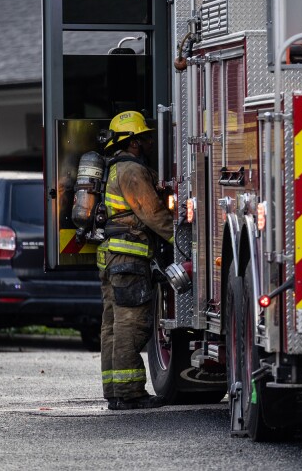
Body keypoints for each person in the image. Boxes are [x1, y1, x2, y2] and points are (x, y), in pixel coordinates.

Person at [96, 110, 174, 410]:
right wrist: (182, 241)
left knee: (112, 326)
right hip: (128, 258)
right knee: (131, 325)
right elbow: (152, 214)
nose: (150, 142)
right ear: (133, 143)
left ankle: (115, 392)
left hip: (111, 258)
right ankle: (129, 393)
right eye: (144, 138)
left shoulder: (112, 169)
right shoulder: (131, 171)